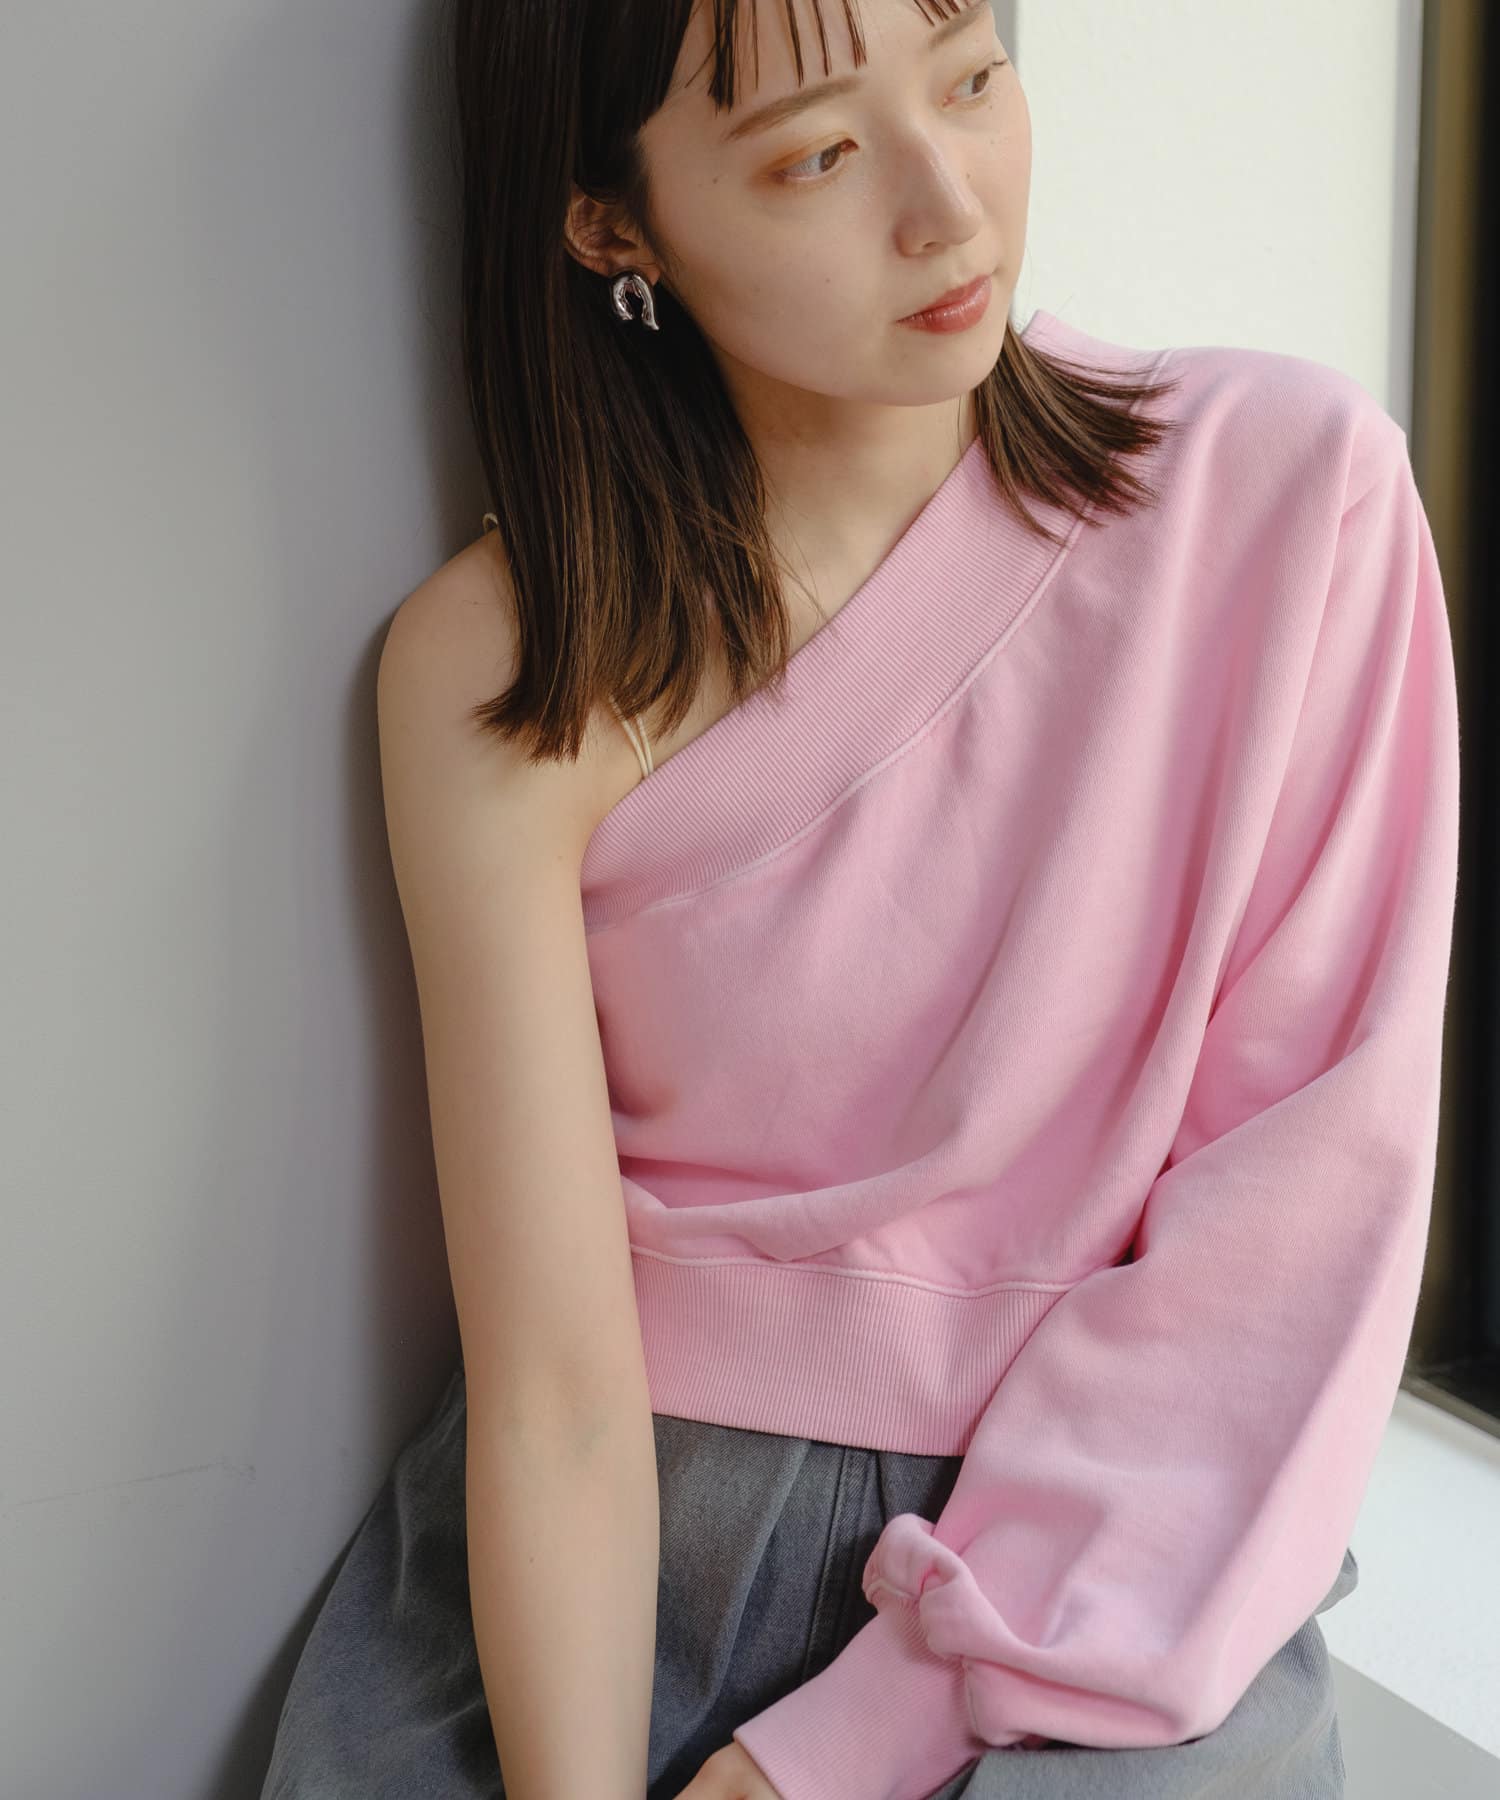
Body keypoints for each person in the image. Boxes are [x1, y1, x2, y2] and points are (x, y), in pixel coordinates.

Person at [258, 1, 1460, 1796]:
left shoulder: (1290, 501)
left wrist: (819, 1761)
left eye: (971, 77)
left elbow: (1284, 1260)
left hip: (1109, 1590)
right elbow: (556, 1398)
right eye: (818, 154)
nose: (948, 208)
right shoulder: (508, 673)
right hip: (612, 1600)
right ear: (612, 222)